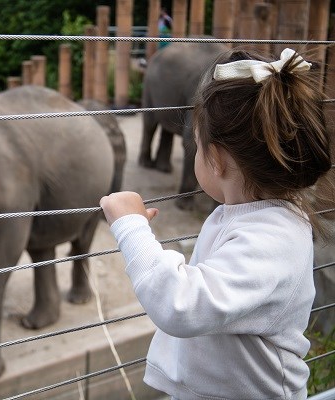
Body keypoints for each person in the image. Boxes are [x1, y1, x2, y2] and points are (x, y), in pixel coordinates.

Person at [100, 48, 332, 399]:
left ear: (216, 159)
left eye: (196, 141)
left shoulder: (273, 240)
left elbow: (180, 304)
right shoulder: (249, 215)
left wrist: (131, 227)